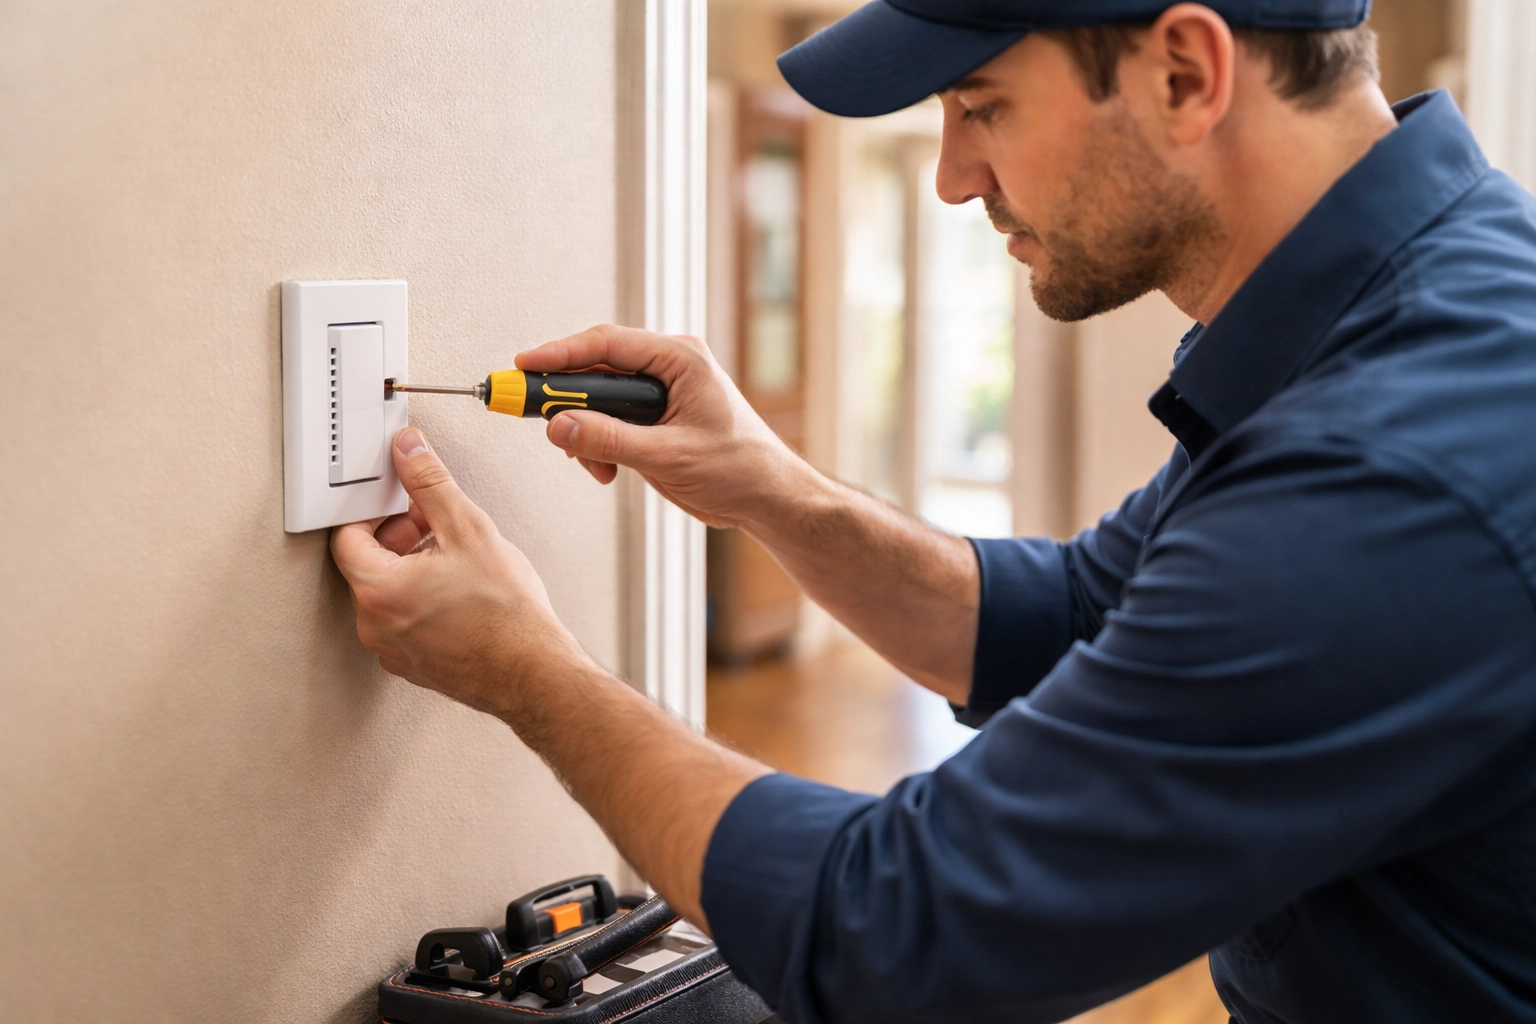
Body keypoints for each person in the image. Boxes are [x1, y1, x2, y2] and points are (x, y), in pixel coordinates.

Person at [329, 1, 1536, 1020]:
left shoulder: (1396, 457)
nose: (956, 178)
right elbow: (1063, 617)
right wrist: (768, 483)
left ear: (1185, 73)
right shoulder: (1386, 319)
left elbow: (904, 934)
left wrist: (530, 673)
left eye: (982, 105)